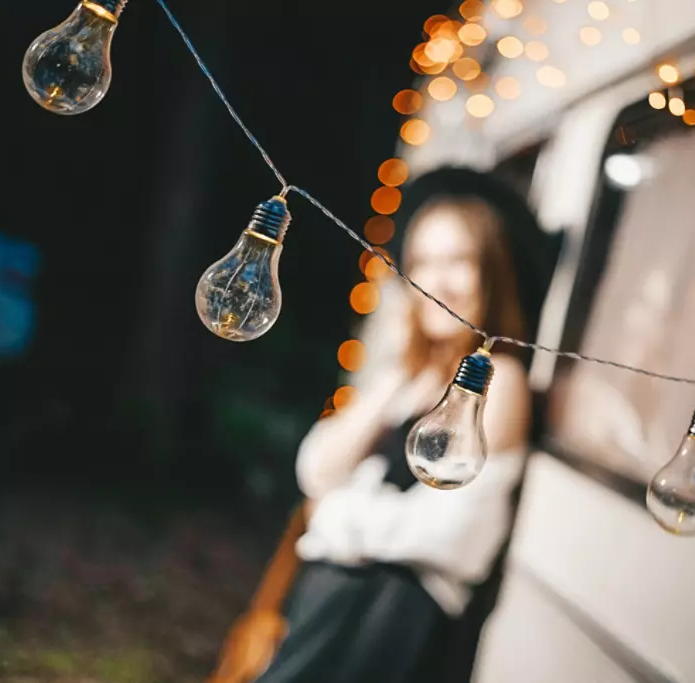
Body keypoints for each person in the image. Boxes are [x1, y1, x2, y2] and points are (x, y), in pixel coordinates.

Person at [212, 166, 557, 683]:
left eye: (458, 261)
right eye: (422, 263)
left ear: (492, 270)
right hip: (331, 602)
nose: (436, 283)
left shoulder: (500, 381)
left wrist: (334, 520)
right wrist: (397, 372)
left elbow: (457, 535)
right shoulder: (414, 378)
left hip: (388, 617)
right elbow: (317, 470)